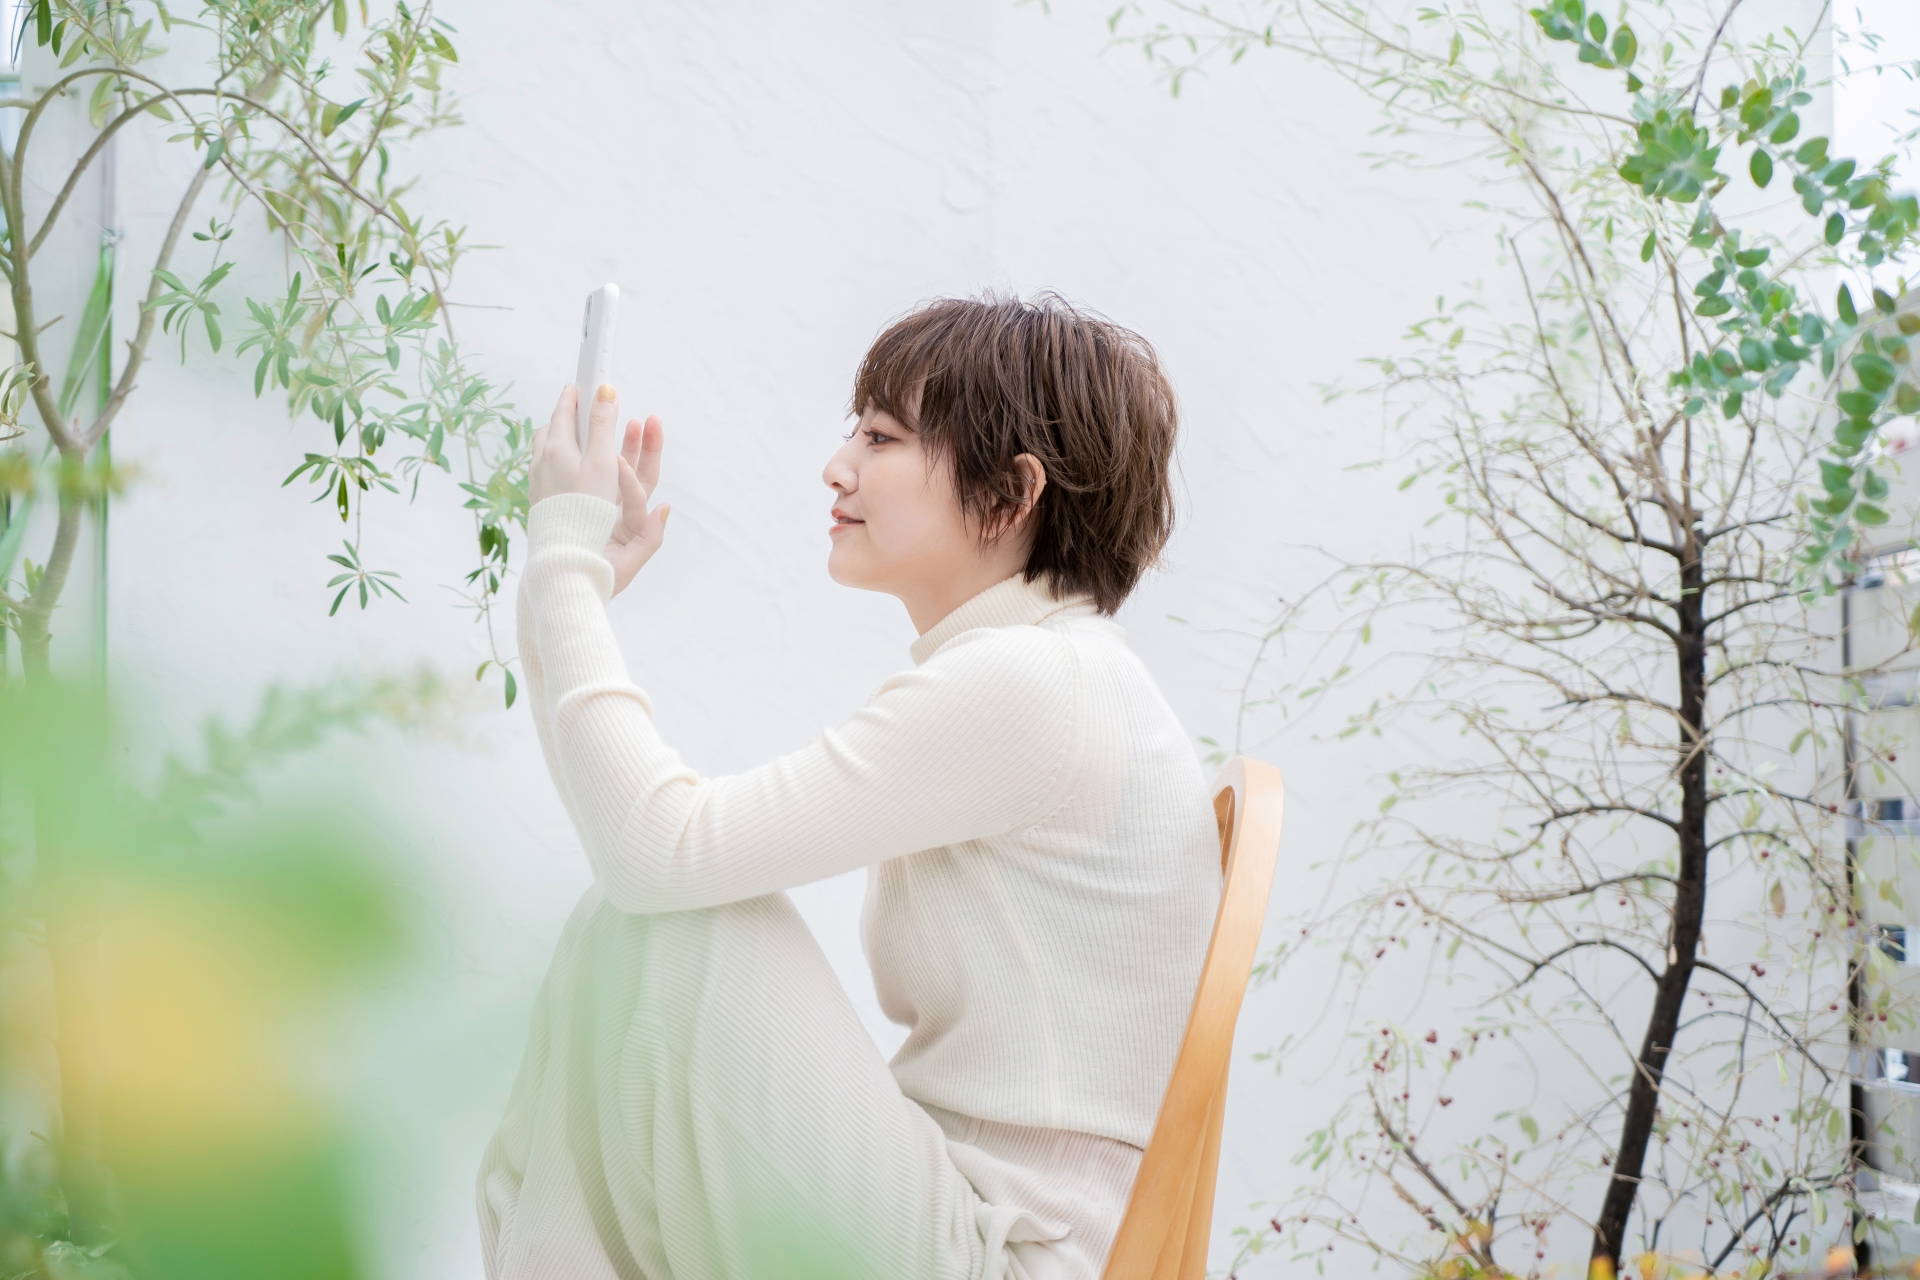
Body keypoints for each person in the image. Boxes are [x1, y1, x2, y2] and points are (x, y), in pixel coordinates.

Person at [478, 294, 1220, 1280]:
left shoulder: (1036, 684)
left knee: (676, 924)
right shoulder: (1057, 671)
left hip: (1009, 1256)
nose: (838, 466)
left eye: (881, 437)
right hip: (973, 1223)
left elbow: (657, 852)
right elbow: (643, 856)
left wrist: (565, 563)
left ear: (1010, 492)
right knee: (633, 923)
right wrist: (565, 583)